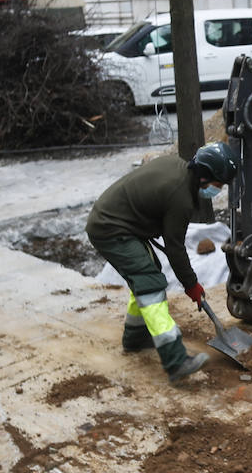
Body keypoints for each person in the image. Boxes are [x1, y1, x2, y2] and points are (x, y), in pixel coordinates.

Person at [85, 141, 240, 384]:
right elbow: (175, 248)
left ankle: (135, 337)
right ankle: (176, 360)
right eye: (218, 184)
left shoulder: (178, 169)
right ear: (204, 176)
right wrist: (191, 285)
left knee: (148, 274)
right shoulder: (180, 198)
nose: (218, 189)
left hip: (123, 222)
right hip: (110, 229)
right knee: (151, 284)